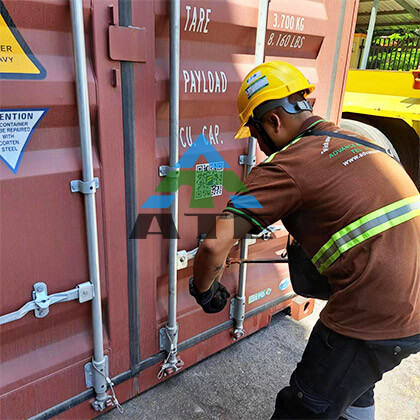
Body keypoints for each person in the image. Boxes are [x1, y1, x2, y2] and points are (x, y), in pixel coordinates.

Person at [189, 61, 420, 419]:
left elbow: (213, 245)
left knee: (302, 408)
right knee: (355, 386)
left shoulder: (287, 166)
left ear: (274, 123)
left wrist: (205, 291)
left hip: (372, 318)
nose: (259, 143)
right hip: (410, 308)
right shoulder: (359, 140)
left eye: (255, 132)